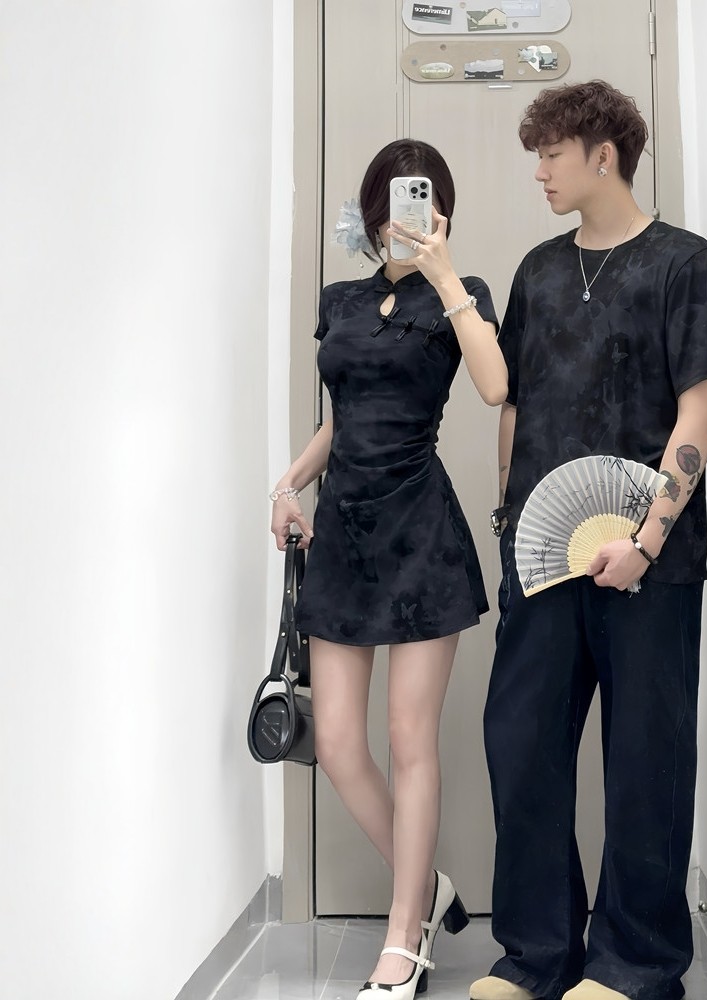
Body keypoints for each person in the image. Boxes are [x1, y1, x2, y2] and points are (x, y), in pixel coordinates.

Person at [471, 82, 707, 1000]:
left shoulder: (683, 263)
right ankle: (536, 956)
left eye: (552, 154)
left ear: (603, 155)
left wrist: (648, 539)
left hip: (648, 566)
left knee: (644, 765)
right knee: (523, 750)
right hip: (542, 562)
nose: (539, 172)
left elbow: (702, 408)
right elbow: (515, 404)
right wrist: (511, 523)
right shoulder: (539, 270)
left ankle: (635, 965)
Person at [270, 138, 507, 1000]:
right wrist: (288, 484)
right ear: (373, 212)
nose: (403, 215)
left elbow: (494, 386)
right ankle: (428, 889)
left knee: (411, 741)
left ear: (441, 210)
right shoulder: (341, 301)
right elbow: (345, 415)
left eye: (422, 200)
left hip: (421, 538)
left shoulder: (462, 294)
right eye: (393, 201)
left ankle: (405, 941)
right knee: (336, 742)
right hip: (342, 536)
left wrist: (443, 276)